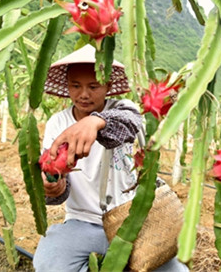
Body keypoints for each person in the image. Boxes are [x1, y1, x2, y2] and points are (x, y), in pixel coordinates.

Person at [33, 45, 188, 272]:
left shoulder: (124, 109)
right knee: (47, 262)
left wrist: (95, 122)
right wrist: (52, 188)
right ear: (67, 86)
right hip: (82, 221)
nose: (84, 94)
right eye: (75, 86)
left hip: (133, 222)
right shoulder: (57, 123)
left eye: (93, 86)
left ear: (108, 86)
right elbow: (58, 182)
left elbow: (129, 123)